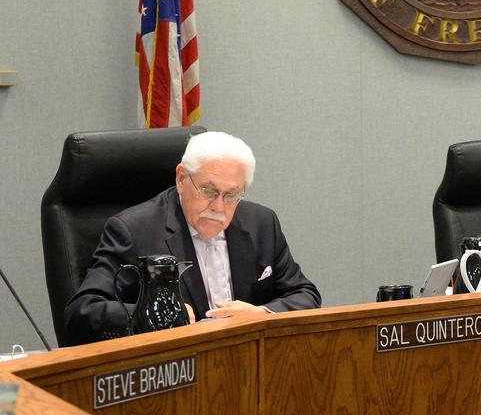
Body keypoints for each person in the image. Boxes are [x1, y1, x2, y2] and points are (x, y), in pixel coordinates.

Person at [65, 131, 321, 343]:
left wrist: (262, 314)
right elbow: (83, 311)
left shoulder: (261, 223)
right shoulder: (133, 230)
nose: (219, 207)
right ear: (181, 179)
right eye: (208, 191)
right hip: (173, 371)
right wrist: (157, 314)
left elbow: (304, 293)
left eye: (231, 195)